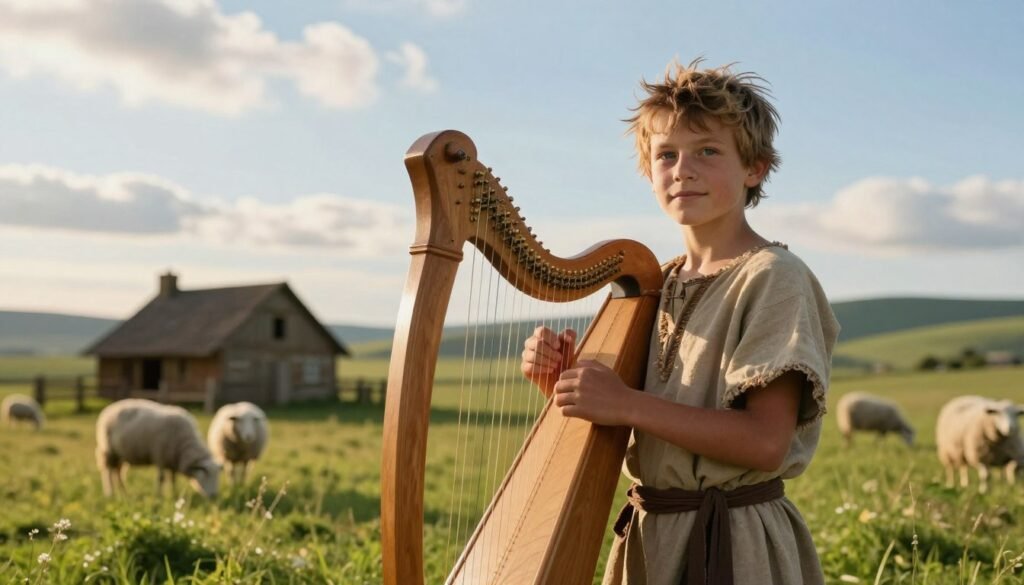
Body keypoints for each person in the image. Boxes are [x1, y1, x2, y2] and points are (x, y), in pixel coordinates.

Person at [520, 60, 840, 585]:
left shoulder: (774, 278)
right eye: (665, 155)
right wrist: (563, 385)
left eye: (708, 152)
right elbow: (642, 427)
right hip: (651, 541)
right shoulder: (654, 283)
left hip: (734, 548)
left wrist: (625, 402)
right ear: (649, 172)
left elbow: (765, 442)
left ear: (754, 168)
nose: (682, 169)